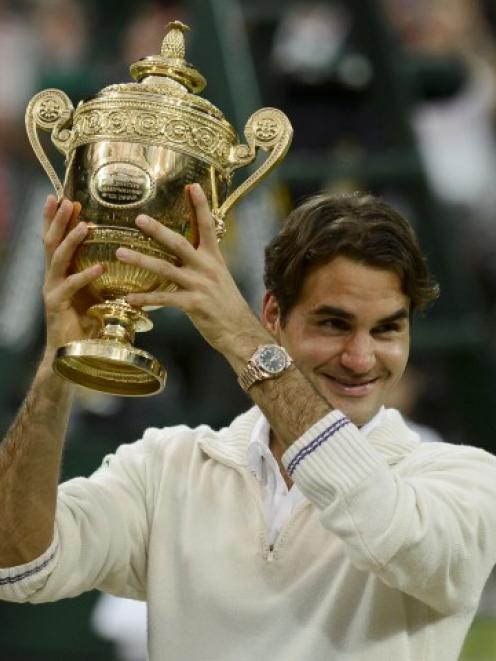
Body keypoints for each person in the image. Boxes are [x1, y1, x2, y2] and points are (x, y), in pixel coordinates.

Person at [0, 183, 496, 661]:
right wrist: (58, 364)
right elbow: (20, 567)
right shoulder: (166, 467)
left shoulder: (465, 479)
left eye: (387, 330)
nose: (362, 358)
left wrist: (242, 340)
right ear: (274, 316)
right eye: (334, 324)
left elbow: (388, 531)